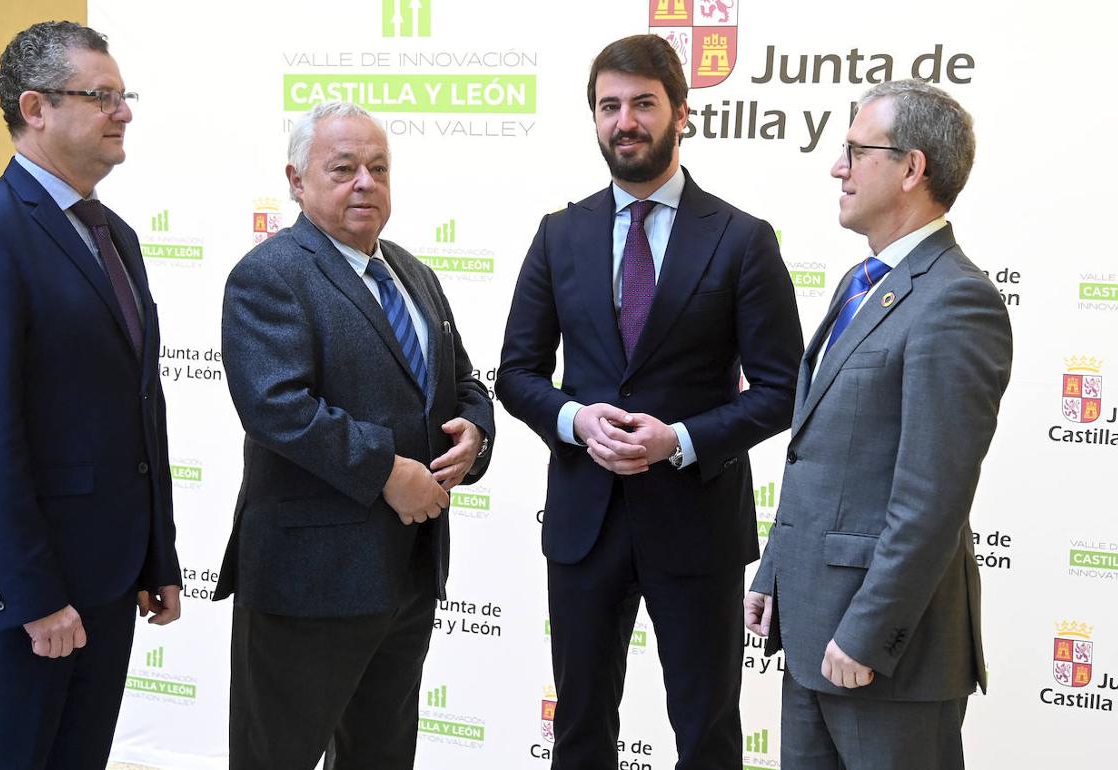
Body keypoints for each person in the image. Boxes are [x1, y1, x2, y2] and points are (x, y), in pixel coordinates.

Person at [496, 34, 803, 770]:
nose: (624, 121)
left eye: (642, 103)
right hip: (583, 525)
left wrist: (682, 439)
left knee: (706, 733)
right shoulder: (558, 235)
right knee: (579, 731)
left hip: (695, 522)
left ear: (681, 113)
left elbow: (783, 389)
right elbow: (516, 373)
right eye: (609, 106)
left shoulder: (741, 239)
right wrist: (574, 419)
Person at [0, 20, 181, 769]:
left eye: (124, 96)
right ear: (35, 108)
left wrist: (156, 555)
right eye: (101, 96)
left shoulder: (115, 235)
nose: (122, 111)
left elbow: (137, 408)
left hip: (104, 579)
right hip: (15, 595)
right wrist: (31, 595)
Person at [214, 100, 495, 770]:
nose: (365, 181)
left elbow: (463, 382)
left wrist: (476, 430)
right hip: (308, 580)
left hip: (407, 574)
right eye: (342, 168)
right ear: (297, 180)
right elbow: (277, 407)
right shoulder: (269, 274)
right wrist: (387, 472)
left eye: (378, 167)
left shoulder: (412, 273)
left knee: (382, 754)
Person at [744, 79, 1013, 769]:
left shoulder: (958, 303)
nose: (838, 167)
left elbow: (932, 498)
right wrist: (776, 573)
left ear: (912, 168)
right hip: (810, 637)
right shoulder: (860, 283)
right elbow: (820, 455)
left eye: (856, 151)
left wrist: (869, 632)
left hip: (882, 658)